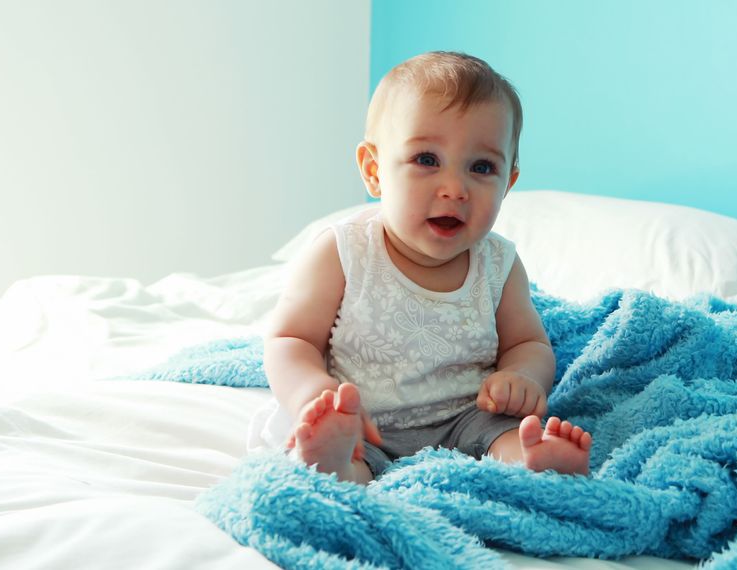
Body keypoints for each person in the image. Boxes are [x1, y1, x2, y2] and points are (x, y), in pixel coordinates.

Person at [254, 51, 592, 484]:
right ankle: (334, 464)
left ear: (507, 183)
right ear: (374, 171)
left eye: (482, 167)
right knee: (349, 464)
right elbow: (290, 338)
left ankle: (535, 465)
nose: (454, 188)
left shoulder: (499, 265)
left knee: (505, 437)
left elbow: (530, 343)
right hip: (366, 420)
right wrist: (313, 392)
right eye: (426, 160)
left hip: (469, 418)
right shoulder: (344, 252)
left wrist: (522, 376)